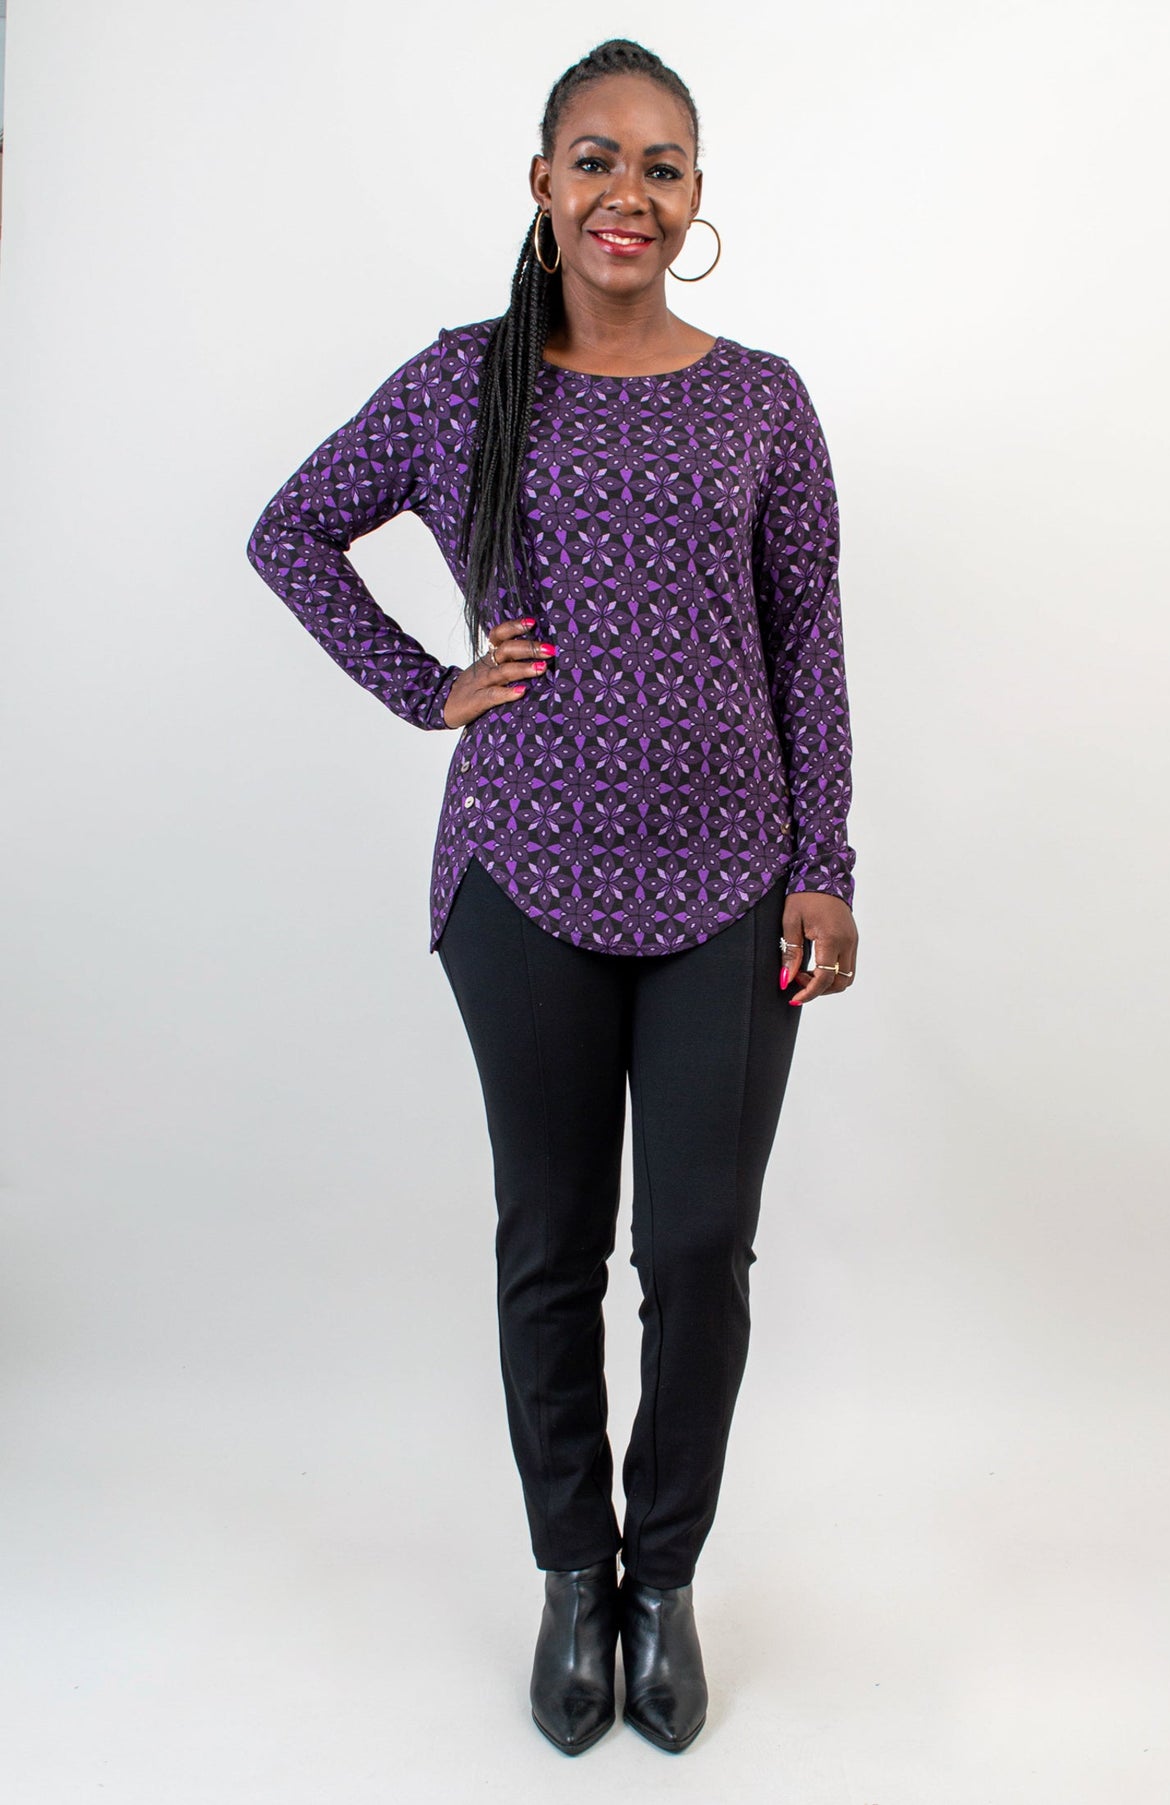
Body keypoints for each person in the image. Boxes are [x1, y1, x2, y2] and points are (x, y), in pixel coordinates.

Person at [245, 35, 858, 1759]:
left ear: (697, 197)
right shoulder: (465, 385)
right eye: (597, 160)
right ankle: (571, 1579)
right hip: (522, 869)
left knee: (697, 1250)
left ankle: (663, 1577)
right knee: (550, 1243)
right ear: (543, 183)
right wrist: (426, 685)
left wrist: (826, 863)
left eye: (661, 166)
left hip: (733, 881)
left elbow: (809, 636)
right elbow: (293, 530)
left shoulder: (763, 401)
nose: (626, 194)